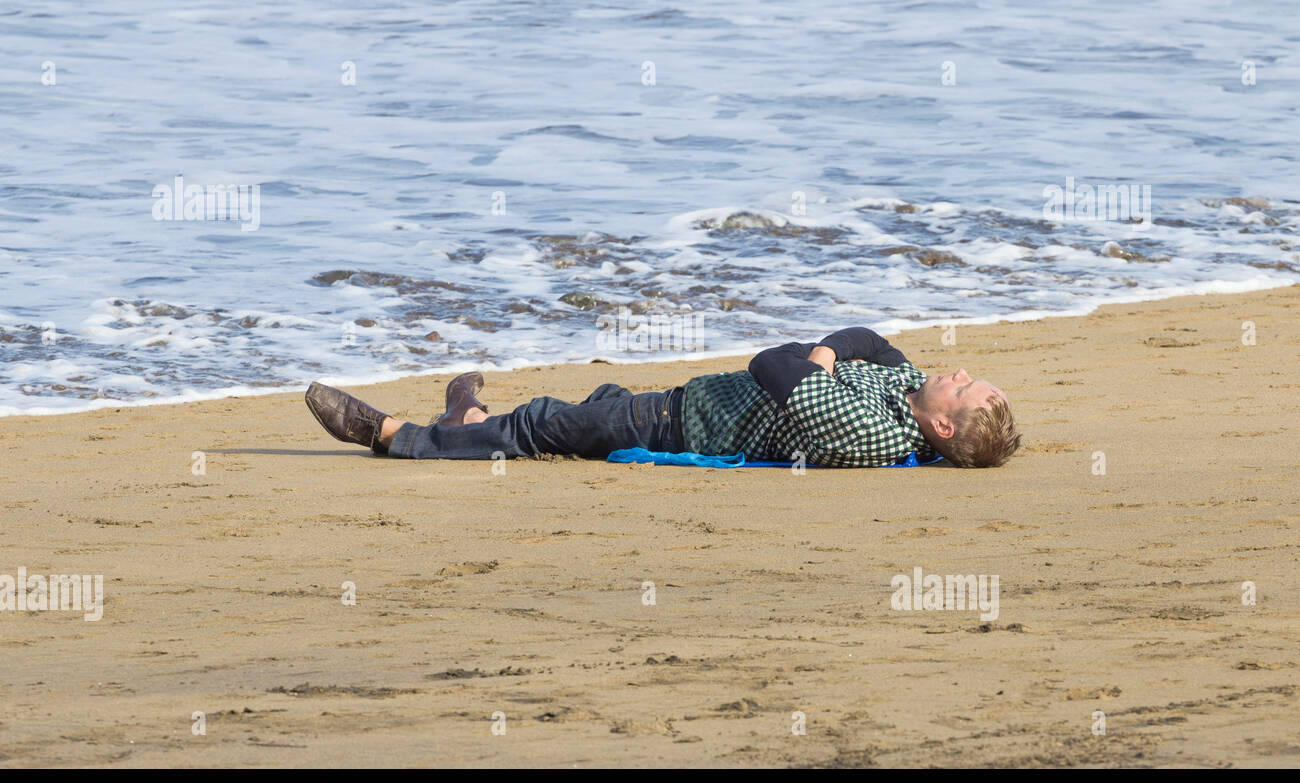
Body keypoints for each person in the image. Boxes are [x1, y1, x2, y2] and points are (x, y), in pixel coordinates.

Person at [303, 327, 1021, 468]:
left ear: (941, 429)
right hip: (684, 398)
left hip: (682, 423)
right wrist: (833, 353)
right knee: (594, 401)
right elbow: (870, 335)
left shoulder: (869, 427)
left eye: (961, 389)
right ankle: (469, 419)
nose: (954, 373)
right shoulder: (905, 391)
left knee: (546, 425)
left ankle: (394, 435)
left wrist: (819, 357)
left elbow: (771, 362)